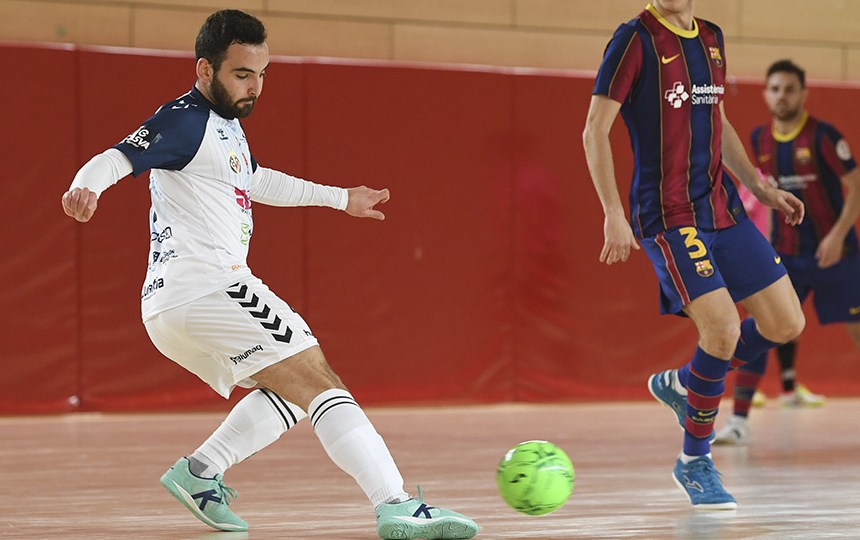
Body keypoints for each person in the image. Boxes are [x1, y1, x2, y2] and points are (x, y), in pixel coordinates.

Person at [60, 10, 478, 540]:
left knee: (289, 392)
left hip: (171, 306)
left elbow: (258, 181)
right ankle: (396, 504)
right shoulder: (184, 119)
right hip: (209, 287)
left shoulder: (226, 130)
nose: (255, 87)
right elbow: (118, 157)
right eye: (242, 74)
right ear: (205, 70)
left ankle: (201, 472)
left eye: (261, 74)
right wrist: (85, 187)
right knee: (320, 380)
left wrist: (340, 199)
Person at [582, 0, 806, 509]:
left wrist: (760, 187)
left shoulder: (712, 37)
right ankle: (694, 461)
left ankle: (688, 382)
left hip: (722, 209)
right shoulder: (633, 40)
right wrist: (612, 212)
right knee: (723, 330)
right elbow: (594, 129)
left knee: (786, 323)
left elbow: (718, 121)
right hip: (668, 216)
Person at [716, 60, 860, 445]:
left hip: (836, 254)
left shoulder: (824, 137)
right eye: (775, 89)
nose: (782, 96)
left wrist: (836, 235)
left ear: (803, 93)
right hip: (785, 254)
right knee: (765, 325)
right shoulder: (759, 139)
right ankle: (738, 421)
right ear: (765, 93)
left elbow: (856, 187)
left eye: (790, 89)